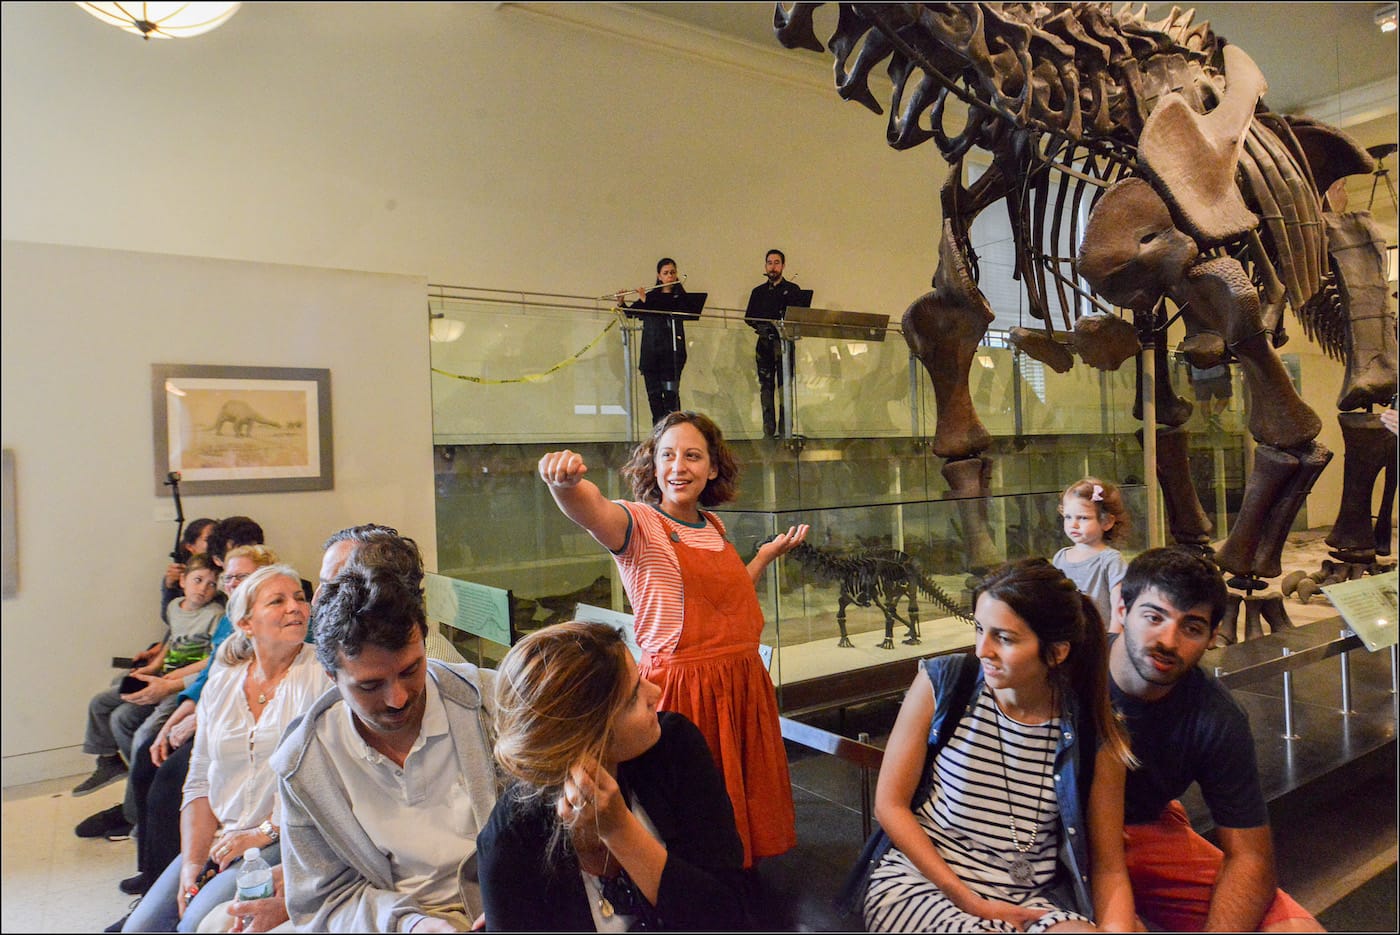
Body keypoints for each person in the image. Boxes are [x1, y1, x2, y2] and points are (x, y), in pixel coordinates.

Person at [538, 411, 807, 867]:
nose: (678, 466)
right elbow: (593, 510)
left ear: (713, 468)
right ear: (654, 464)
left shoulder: (713, 527)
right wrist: (564, 485)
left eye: (692, 456)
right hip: (685, 691)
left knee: (737, 795)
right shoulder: (640, 525)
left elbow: (725, 599)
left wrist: (762, 558)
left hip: (739, 682)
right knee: (693, 813)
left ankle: (733, 878)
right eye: (667, 455)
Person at [853, 558, 1136, 933]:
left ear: (1057, 651)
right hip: (924, 883)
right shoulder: (942, 683)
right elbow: (889, 805)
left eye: (1004, 638)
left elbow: (1109, 867)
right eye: (980, 629)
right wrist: (968, 900)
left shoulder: (1092, 731)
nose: (982, 650)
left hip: (1031, 898)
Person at [273, 539, 501, 932]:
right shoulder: (305, 764)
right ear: (331, 677)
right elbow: (323, 902)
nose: (397, 699)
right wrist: (411, 926)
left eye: (411, 670)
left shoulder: (492, 705)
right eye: (370, 685)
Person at [478, 620, 753, 931]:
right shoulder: (510, 842)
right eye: (634, 695)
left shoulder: (675, 748)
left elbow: (730, 916)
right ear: (586, 737)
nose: (656, 692)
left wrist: (620, 830)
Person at [1109, 548, 1322, 932]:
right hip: (1052, 840)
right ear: (1123, 611)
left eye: (1191, 627)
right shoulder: (1067, 674)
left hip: (1146, 829)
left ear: (1211, 637)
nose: (1168, 641)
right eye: (1153, 617)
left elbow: (1250, 857)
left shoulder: (1217, 716)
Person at [122, 564, 326, 933]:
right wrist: (192, 863)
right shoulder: (222, 685)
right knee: (141, 927)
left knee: (193, 926)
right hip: (221, 836)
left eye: (299, 598)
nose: (296, 607)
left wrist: (263, 832)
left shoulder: (322, 674)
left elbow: (318, 777)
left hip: (285, 836)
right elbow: (199, 780)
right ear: (246, 623)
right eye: (277, 601)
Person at [106, 546, 281, 901]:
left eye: (240, 577)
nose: (231, 584)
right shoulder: (232, 618)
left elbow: (246, 688)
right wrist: (177, 717)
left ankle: (170, 883)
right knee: (147, 754)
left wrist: (197, 721)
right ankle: (152, 871)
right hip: (210, 711)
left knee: (170, 780)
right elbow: (212, 676)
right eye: (229, 577)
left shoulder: (268, 622)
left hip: (237, 725)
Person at [74, 555, 226, 800]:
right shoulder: (174, 608)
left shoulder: (216, 614)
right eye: (198, 580)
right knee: (103, 701)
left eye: (211, 584)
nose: (203, 589)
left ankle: (142, 792)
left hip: (183, 683)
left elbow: (214, 659)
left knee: (143, 730)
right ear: (183, 581)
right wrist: (153, 667)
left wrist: (172, 678)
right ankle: (112, 761)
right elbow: (170, 642)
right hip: (164, 674)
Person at [1052, 478, 1131, 633]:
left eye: (1083, 518)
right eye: (1068, 517)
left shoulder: (1111, 560)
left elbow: (1119, 606)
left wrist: (1112, 640)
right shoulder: (1060, 557)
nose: (1073, 524)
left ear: (1107, 521)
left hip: (1101, 640)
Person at [621, 258, 691, 425]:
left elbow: (685, 311)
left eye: (672, 272)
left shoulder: (680, 297)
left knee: (671, 397)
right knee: (654, 397)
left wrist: (647, 301)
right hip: (651, 354)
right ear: (659, 276)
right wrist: (622, 302)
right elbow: (631, 313)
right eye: (666, 273)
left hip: (672, 354)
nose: (669, 276)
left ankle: (674, 432)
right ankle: (658, 436)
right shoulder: (651, 296)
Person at [744, 249, 804, 437]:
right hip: (764, 345)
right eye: (769, 263)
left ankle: (786, 432)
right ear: (765, 266)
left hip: (784, 346)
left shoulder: (793, 290)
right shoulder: (758, 292)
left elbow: (799, 316)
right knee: (766, 389)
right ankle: (768, 432)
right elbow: (749, 317)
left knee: (785, 388)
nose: (773, 266)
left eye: (777, 262)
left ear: (783, 266)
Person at [161, 518, 218, 622]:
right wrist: (170, 587)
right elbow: (168, 617)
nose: (215, 544)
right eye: (208, 539)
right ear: (191, 547)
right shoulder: (180, 572)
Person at [1188, 362, 1232, 431]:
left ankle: (1207, 425)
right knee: (1224, 397)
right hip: (1217, 372)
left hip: (1198, 375)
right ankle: (1215, 416)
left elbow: (1188, 358)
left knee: (1204, 401)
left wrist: (1190, 376)